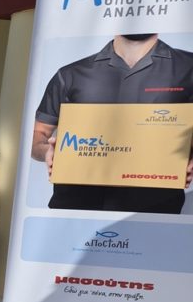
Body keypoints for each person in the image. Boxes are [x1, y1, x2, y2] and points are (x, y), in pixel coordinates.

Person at [31, 34, 193, 213]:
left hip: (153, 210)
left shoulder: (188, 67)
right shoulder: (71, 74)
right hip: (74, 207)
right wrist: (48, 152)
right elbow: (38, 135)